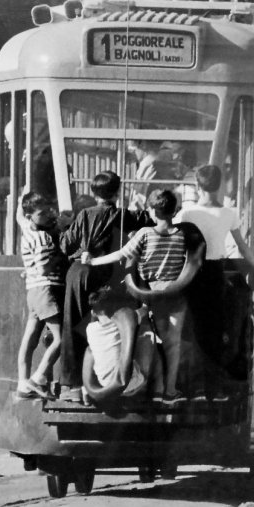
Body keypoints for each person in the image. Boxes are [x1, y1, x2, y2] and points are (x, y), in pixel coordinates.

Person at [83, 189, 188, 406]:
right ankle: (170, 391)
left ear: (151, 210)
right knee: (173, 343)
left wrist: (93, 262)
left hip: (154, 295)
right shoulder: (182, 235)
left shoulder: (145, 234)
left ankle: (157, 390)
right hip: (177, 296)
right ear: (174, 211)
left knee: (156, 341)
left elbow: (122, 254)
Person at [57, 171, 152, 402]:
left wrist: (66, 226)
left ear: (93, 193)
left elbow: (65, 246)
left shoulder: (84, 214)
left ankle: (73, 387)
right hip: (106, 275)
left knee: (73, 326)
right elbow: (149, 221)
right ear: (118, 192)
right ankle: (103, 379)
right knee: (106, 326)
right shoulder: (122, 215)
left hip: (78, 273)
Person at [173, 164, 254, 399]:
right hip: (215, 274)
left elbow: (176, 245)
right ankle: (213, 387)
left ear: (197, 185)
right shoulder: (229, 213)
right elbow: (242, 246)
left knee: (190, 330)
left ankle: (190, 386)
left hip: (191, 272)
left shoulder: (187, 213)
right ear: (219, 184)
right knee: (215, 331)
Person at [16, 191, 67, 399]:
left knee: (29, 340)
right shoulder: (43, 237)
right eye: (41, 214)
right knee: (61, 338)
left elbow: (19, 216)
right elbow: (45, 267)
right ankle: (38, 378)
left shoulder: (26, 229)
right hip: (47, 288)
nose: (46, 216)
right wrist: (61, 253)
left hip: (33, 291)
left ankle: (23, 383)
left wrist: (21, 200)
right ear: (31, 216)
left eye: (47, 211)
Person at [82, 286, 163, 403]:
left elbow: (95, 319)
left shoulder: (90, 329)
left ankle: (86, 390)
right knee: (147, 337)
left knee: (95, 348)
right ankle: (156, 389)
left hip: (103, 384)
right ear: (115, 309)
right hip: (129, 386)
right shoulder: (124, 320)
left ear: (93, 312)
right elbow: (144, 311)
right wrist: (146, 302)